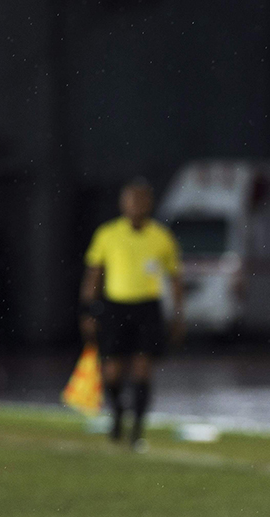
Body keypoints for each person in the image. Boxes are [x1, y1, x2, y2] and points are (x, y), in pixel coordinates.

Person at [79, 179, 184, 447]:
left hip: (147, 308)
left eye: (141, 199)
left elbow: (174, 280)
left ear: (149, 204)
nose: (136, 205)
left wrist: (178, 314)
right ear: (122, 203)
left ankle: (137, 429)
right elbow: (94, 274)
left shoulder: (162, 237)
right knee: (112, 371)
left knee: (142, 369)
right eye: (131, 199)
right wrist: (88, 310)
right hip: (115, 307)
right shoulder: (108, 234)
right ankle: (117, 414)